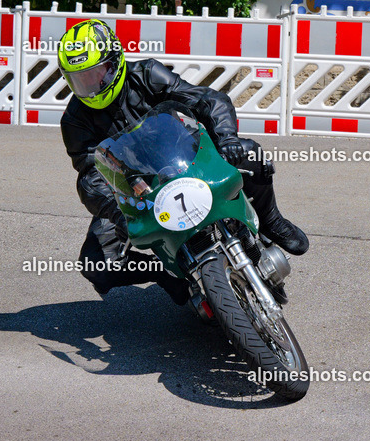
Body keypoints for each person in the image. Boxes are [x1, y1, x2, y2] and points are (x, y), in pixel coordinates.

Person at [57, 18, 308, 305]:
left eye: (95, 74)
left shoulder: (147, 73)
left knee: (250, 154)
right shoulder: (74, 119)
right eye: (80, 78)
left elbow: (208, 100)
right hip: (133, 188)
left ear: (115, 61)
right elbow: (89, 176)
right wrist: (117, 212)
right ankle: (167, 274)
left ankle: (270, 220)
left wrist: (227, 139)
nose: (90, 85)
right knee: (95, 263)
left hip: (185, 155)